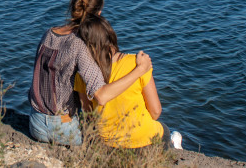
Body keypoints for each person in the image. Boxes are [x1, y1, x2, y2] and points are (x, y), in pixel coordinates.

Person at [28, 0, 152, 145]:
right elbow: (101, 95)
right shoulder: (80, 44)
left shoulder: (49, 33)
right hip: (62, 128)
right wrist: (140, 69)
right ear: (99, 14)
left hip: (35, 122)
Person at [74, 14, 181, 150]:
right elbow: (155, 112)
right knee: (164, 130)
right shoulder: (138, 63)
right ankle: (174, 147)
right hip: (143, 140)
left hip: (107, 144)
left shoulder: (83, 74)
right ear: (110, 35)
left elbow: (88, 113)